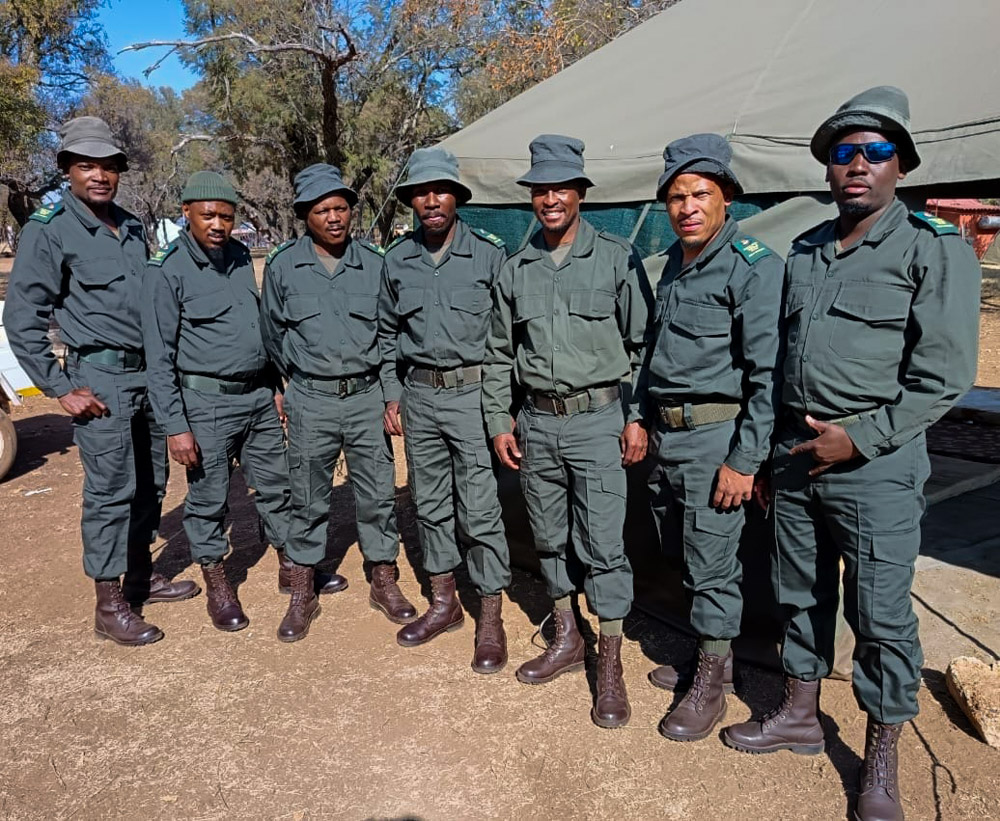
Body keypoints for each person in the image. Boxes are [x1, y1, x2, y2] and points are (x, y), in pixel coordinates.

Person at [722, 87, 981, 821]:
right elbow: (780, 363)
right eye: (844, 153)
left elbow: (944, 376)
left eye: (875, 152)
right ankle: (800, 711)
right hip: (798, 463)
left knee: (881, 614)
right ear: (829, 169)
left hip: (877, 470)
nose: (858, 164)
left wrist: (858, 436)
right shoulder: (802, 251)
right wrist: (777, 456)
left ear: (900, 165)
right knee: (799, 593)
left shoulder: (933, 248)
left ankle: (881, 755)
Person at [3, 116, 198, 647]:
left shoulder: (133, 227)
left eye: (109, 166)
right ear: (66, 169)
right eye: (86, 165)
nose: (99, 176)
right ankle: (110, 604)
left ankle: (139, 578)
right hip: (100, 379)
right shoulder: (49, 229)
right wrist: (59, 387)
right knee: (112, 491)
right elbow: (22, 318)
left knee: (152, 483)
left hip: (150, 376)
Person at [482, 134, 651, 728]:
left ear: (580, 193)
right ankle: (565, 634)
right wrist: (500, 420)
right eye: (540, 189)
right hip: (537, 422)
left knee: (604, 545)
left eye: (561, 187)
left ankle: (609, 662)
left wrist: (635, 415)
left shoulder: (614, 258)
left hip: (599, 419)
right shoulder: (516, 267)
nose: (550, 198)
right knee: (550, 537)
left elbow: (641, 344)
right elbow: (499, 353)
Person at [639, 134, 784, 741]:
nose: (687, 206)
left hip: (716, 439)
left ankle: (713, 686)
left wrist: (744, 460)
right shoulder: (673, 261)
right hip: (669, 437)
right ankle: (710, 661)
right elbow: (658, 356)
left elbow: (770, 376)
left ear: (726, 197)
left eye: (700, 192)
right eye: (676, 196)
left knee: (713, 565)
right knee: (688, 555)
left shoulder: (752, 265)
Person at [260, 163, 416, 633]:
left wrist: (391, 396)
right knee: (307, 496)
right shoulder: (283, 266)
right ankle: (302, 588)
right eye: (323, 209)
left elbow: (389, 335)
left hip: (367, 396)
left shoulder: (375, 263)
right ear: (305, 215)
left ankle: (383, 577)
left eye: (341, 208)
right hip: (312, 400)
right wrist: (294, 386)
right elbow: (273, 335)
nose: (334, 217)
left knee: (376, 494)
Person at [378, 147, 511, 673]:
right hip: (419, 397)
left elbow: (506, 341)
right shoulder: (397, 260)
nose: (431, 201)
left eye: (440, 191)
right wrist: (393, 393)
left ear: (456, 197)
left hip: (472, 396)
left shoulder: (489, 255)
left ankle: (490, 616)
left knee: (479, 508)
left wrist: (503, 408)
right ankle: (444, 601)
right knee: (429, 502)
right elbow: (387, 333)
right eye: (421, 193)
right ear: (412, 200)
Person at [142, 172, 292, 637]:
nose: (218, 225)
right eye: (208, 215)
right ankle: (217, 581)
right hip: (204, 403)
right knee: (208, 498)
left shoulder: (242, 256)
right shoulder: (167, 270)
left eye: (226, 216)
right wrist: (175, 425)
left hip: (258, 397)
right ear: (186, 213)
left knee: (276, 484)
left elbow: (257, 327)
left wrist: (274, 384)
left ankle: (294, 564)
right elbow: (158, 355)